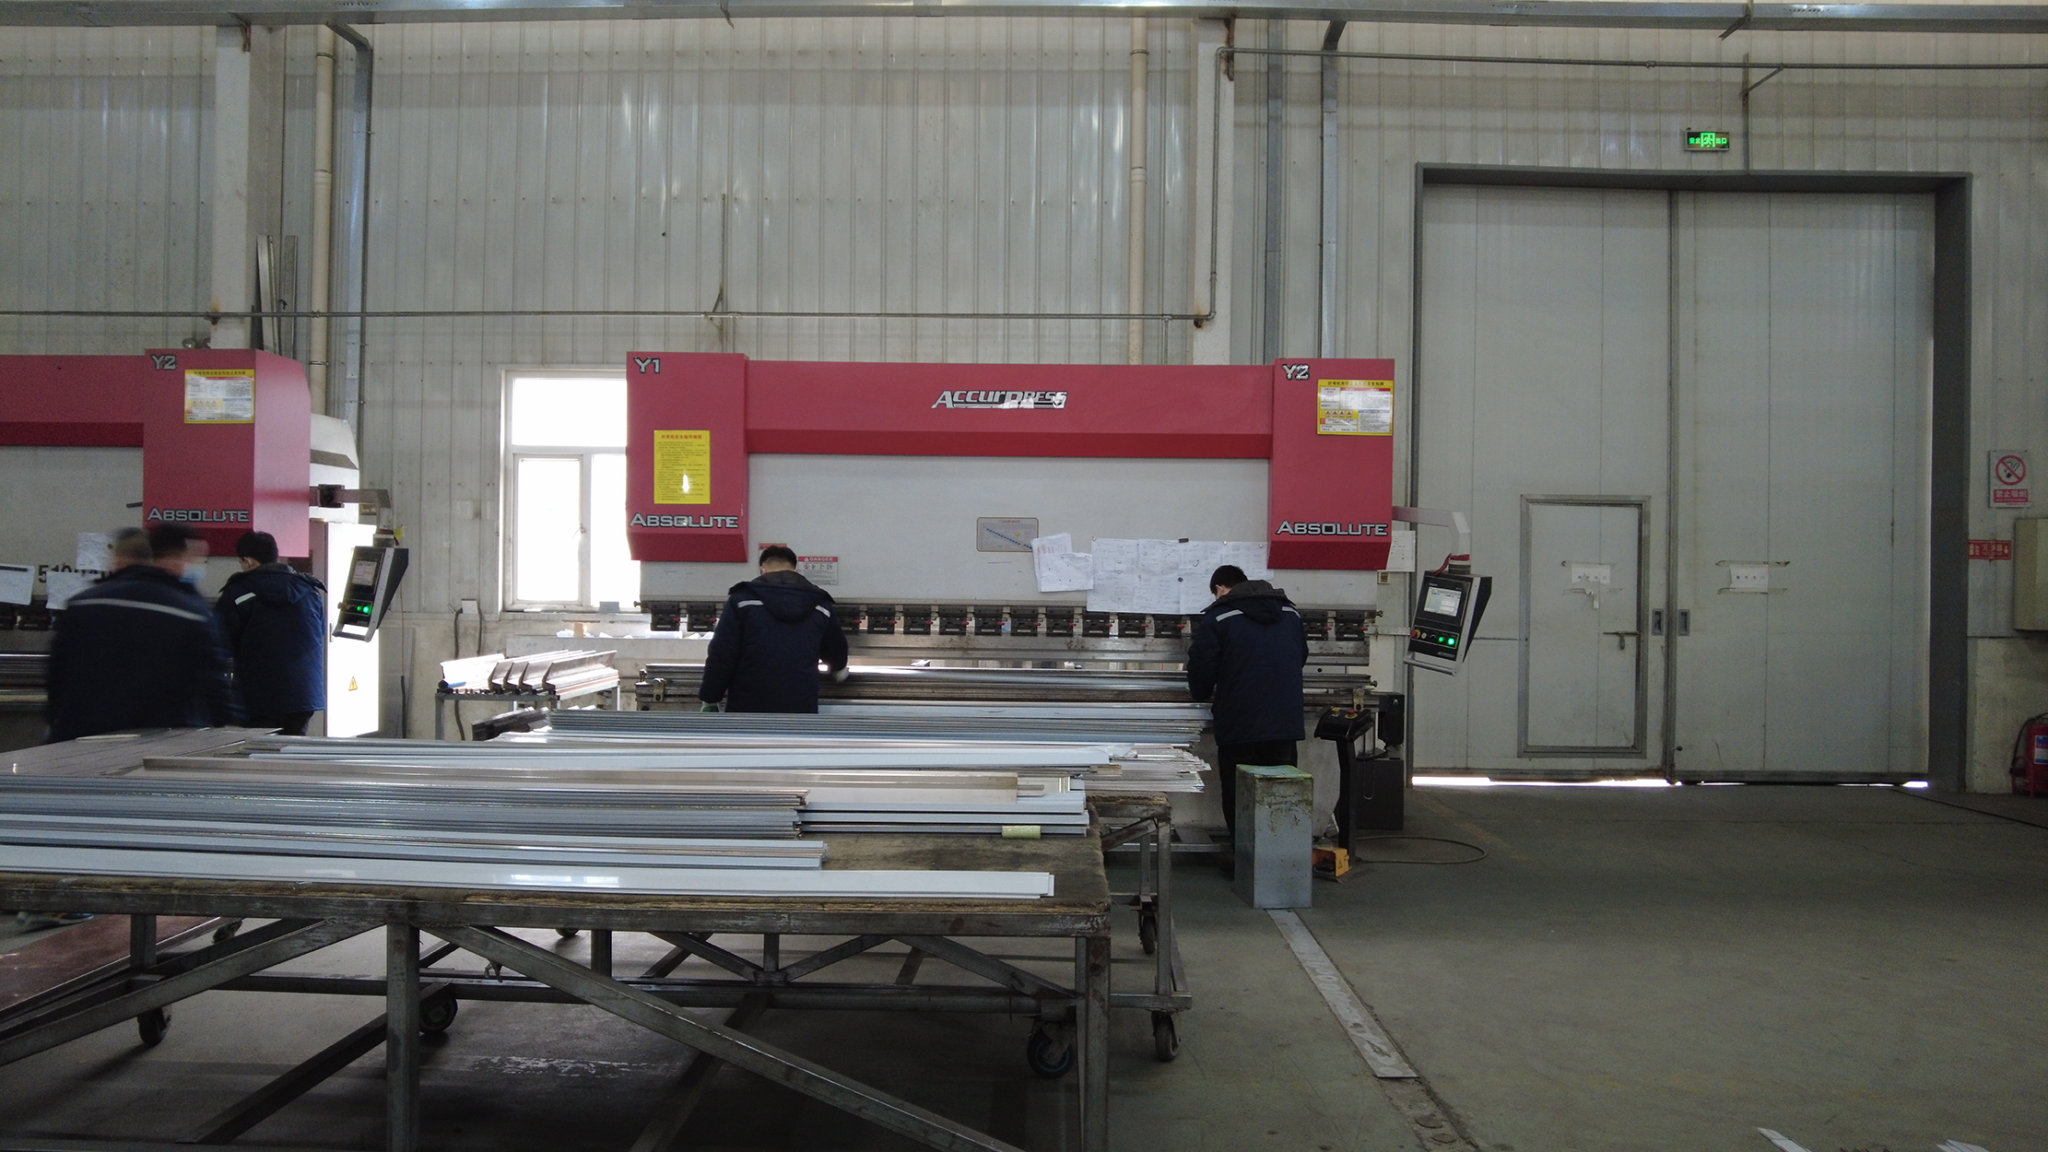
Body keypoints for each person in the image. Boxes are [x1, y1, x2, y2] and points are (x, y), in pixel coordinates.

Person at [45, 524, 238, 744]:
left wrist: (58, 724)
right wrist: (227, 728)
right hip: (159, 742)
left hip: (82, 738)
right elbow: (213, 684)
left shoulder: (82, 603)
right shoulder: (192, 613)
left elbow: (57, 674)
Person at [1186, 564, 1308, 845]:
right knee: (1282, 794)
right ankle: (1281, 855)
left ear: (1220, 589)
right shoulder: (1290, 613)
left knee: (1240, 795)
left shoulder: (1219, 616)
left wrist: (1200, 693)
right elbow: (1300, 655)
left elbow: (1202, 668)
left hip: (1240, 723)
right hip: (1284, 724)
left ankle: (1244, 857)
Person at [699, 545, 849, 714]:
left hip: (747, 706)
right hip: (800, 705)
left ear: (762, 569)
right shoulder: (820, 603)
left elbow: (723, 653)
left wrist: (710, 697)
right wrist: (838, 668)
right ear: (795, 569)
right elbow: (835, 647)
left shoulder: (741, 600)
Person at [214, 530, 327, 736]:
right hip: (302, 695)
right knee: (292, 750)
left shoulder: (238, 592)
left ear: (248, 561)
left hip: (259, 696)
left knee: (260, 751)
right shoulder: (309, 591)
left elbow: (219, 643)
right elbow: (318, 633)